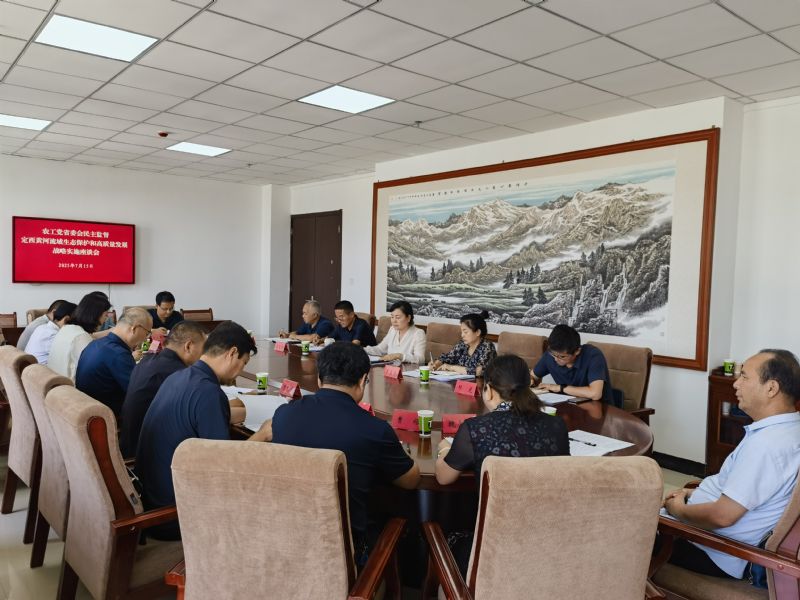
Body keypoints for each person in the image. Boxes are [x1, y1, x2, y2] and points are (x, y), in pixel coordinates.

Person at [271, 342, 419, 563]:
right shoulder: (374, 430)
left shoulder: (283, 415)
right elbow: (410, 481)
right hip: (344, 556)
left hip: (285, 542)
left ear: (319, 378)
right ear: (362, 380)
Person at [661, 349, 800, 579]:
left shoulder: (767, 445)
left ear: (771, 388)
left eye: (744, 377)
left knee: (623, 531)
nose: (736, 384)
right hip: (711, 532)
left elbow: (722, 516)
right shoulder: (788, 430)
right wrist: (691, 494)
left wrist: (679, 510)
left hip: (714, 549)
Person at [435, 354, 570, 577]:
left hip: (492, 553)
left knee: (452, 536)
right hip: (548, 547)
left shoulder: (476, 428)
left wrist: (444, 450)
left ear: (488, 390)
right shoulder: (556, 425)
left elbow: (443, 477)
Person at [136, 321, 271, 540]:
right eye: (243, 363)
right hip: (174, 515)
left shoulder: (179, 376)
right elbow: (225, 466)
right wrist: (263, 434)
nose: (241, 370)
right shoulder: (208, 392)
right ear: (232, 353)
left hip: (150, 501)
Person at [119, 320, 207, 458]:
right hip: (149, 453)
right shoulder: (179, 374)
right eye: (204, 348)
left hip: (129, 443)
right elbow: (201, 411)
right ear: (189, 346)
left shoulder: (147, 360)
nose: (204, 354)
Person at [75, 307, 152, 418]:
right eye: (147, 333)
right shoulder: (118, 354)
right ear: (134, 329)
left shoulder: (95, 344)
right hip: (108, 416)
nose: (146, 338)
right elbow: (139, 393)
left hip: (87, 409)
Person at [532, 324, 614, 404]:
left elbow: (595, 394)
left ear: (577, 351)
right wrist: (530, 380)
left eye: (562, 356)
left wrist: (560, 388)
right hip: (568, 405)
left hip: (598, 408)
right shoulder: (551, 355)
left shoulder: (593, 355)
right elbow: (532, 375)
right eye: (553, 354)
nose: (556, 359)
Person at [48, 292, 112, 380]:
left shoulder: (67, 328)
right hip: (71, 386)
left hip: (58, 383)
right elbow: (95, 368)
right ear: (96, 315)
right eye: (105, 315)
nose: (106, 319)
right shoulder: (81, 337)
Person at [430, 311, 496, 376]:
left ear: (478, 332)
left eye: (465, 332)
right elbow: (447, 358)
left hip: (479, 382)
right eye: (462, 332)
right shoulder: (462, 344)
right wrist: (436, 364)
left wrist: (452, 367)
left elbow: (479, 371)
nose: (462, 335)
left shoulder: (487, 347)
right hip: (459, 381)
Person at [25, 301, 76, 365]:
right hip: (42, 370)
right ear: (66, 320)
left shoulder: (41, 327)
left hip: (32, 368)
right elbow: (70, 358)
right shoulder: (53, 335)